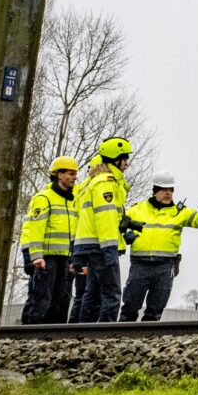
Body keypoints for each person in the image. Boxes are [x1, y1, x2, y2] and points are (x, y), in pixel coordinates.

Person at [120, 175, 198, 322]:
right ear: (155, 191)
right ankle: (123, 336)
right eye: (164, 190)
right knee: (130, 306)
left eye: (171, 190)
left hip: (165, 266)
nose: (168, 193)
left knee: (155, 310)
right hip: (140, 264)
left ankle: (148, 339)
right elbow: (118, 226)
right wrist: (126, 236)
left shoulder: (179, 212)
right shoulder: (136, 210)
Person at [69, 136, 132, 324]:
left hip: (86, 246)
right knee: (111, 294)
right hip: (100, 247)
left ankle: (83, 333)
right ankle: (106, 335)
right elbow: (105, 218)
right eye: (125, 159)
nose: (127, 164)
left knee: (91, 293)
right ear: (116, 159)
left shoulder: (92, 182)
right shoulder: (106, 182)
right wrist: (110, 248)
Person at [18, 157, 81, 324]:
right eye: (71, 173)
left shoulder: (72, 201)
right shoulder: (44, 198)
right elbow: (36, 229)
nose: (75, 177)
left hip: (64, 257)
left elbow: (73, 232)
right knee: (41, 298)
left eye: (76, 174)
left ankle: (54, 337)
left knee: (62, 299)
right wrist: (36, 256)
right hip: (46, 257)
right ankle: (30, 335)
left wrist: (73, 258)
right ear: (59, 174)